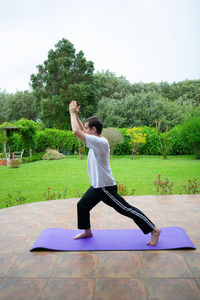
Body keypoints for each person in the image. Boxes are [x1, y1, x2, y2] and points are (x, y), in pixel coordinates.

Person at [69, 100, 161, 246]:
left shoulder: (100, 143)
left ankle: (154, 230)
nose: (84, 130)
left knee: (126, 209)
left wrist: (72, 113)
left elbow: (76, 131)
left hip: (105, 187)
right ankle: (87, 231)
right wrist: (77, 116)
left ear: (93, 129)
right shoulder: (96, 139)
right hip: (97, 186)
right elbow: (80, 129)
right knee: (82, 205)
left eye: (87, 128)